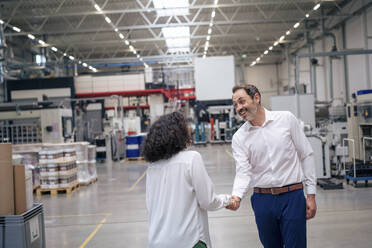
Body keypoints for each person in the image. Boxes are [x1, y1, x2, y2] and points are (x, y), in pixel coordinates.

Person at [226, 84, 317, 248]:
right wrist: (237, 196)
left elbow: (306, 154)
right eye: (235, 105)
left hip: (292, 196)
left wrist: (310, 194)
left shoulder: (286, 119)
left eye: (241, 101)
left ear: (256, 98)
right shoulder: (239, 137)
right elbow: (243, 172)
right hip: (263, 200)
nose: (239, 108)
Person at [143, 111, 231, 248]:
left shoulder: (152, 167)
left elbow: (150, 207)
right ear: (178, 134)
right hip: (190, 242)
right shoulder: (191, 159)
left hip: (156, 242)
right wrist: (227, 200)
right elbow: (207, 201)